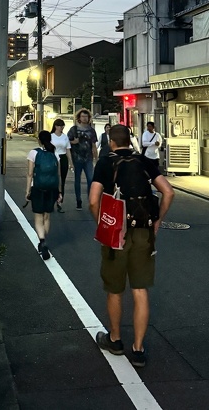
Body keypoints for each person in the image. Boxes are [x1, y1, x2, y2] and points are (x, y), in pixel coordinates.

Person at [89, 124, 174, 368]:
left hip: (117, 233)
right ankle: (138, 349)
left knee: (115, 289)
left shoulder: (105, 162)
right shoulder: (143, 161)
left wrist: (103, 225)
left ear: (111, 142)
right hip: (143, 231)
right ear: (130, 140)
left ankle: (115, 340)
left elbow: (93, 201)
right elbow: (168, 192)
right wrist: (158, 221)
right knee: (140, 289)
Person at [25, 130, 61, 260]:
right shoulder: (55, 154)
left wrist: (27, 191)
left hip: (38, 188)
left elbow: (30, 174)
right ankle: (44, 239)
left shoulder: (33, 153)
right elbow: (58, 175)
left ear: (39, 140)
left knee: (38, 216)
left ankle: (42, 240)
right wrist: (59, 192)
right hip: (52, 188)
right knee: (47, 216)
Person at [67, 108, 98, 210]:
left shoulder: (91, 130)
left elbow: (94, 145)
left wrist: (96, 158)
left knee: (90, 179)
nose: (84, 118)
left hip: (88, 158)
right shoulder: (73, 129)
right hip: (76, 158)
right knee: (77, 179)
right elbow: (67, 142)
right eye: (82, 116)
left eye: (86, 116)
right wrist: (74, 142)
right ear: (79, 118)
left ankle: (90, 200)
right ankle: (78, 200)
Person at [50, 119, 72, 212]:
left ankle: (59, 202)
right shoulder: (51, 136)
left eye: (63, 126)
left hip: (63, 158)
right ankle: (51, 201)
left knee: (62, 181)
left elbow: (68, 149)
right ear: (55, 126)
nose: (61, 127)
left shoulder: (65, 137)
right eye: (60, 126)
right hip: (53, 158)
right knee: (52, 180)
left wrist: (71, 162)